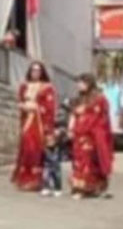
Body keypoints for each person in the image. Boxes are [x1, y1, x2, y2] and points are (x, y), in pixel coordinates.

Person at [11, 61, 57, 192]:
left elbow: (50, 107)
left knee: (35, 149)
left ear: (42, 72)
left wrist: (36, 108)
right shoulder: (24, 86)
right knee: (26, 148)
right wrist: (23, 106)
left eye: (38, 70)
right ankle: (24, 178)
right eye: (33, 70)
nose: (35, 72)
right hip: (27, 121)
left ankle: (36, 180)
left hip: (39, 123)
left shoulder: (47, 88)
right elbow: (20, 101)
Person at [68, 73, 114, 199]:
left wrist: (89, 127)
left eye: (81, 83)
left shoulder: (99, 99)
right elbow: (73, 115)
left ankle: (88, 188)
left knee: (89, 161)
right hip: (78, 134)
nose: (79, 85)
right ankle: (79, 187)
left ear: (89, 83)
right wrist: (71, 129)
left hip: (92, 135)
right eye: (78, 83)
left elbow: (101, 118)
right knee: (78, 160)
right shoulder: (78, 99)